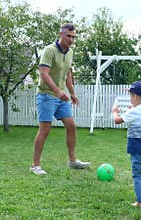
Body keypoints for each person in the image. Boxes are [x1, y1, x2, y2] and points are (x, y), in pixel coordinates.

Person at [30, 23, 90, 175]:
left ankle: (72, 161)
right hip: (46, 95)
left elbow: (68, 74)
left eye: (73, 37)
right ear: (61, 34)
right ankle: (35, 165)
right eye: (68, 36)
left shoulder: (70, 53)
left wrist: (72, 93)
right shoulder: (49, 50)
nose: (71, 39)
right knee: (45, 129)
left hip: (61, 96)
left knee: (71, 126)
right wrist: (57, 91)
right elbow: (43, 73)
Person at [111, 80, 141, 207]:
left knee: (138, 175)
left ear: (135, 96)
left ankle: (140, 201)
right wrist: (132, 110)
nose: (130, 98)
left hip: (138, 150)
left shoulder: (134, 112)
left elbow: (117, 120)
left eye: (130, 95)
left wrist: (114, 111)